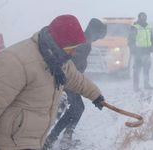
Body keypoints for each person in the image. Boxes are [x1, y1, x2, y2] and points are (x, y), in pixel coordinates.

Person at [0, 15, 106, 150]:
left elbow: (76, 78)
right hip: (9, 144)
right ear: (60, 42)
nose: (74, 53)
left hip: (33, 142)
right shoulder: (17, 61)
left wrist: (96, 95)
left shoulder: (59, 59)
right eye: (71, 47)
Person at [43, 18, 107, 149]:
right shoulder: (85, 43)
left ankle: (58, 137)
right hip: (68, 81)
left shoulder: (83, 38)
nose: (98, 39)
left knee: (74, 109)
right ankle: (54, 139)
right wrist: (74, 81)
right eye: (100, 36)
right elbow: (71, 64)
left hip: (67, 80)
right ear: (96, 32)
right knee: (75, 108)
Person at [128, 12, 153, 92]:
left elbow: (152, 38)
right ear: (139, 17)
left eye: (145, 16)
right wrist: (133, 50)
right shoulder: (135, 27)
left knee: (146, 69)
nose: (144, 18)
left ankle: (146, 84)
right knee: (137, 70)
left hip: (147, 51)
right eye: (142, 16)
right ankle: (136, 87)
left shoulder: (149, 27)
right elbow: (130, 40)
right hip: (138, 52)